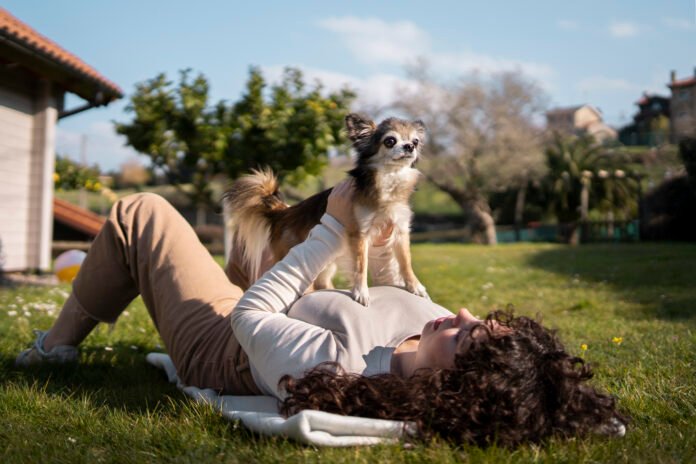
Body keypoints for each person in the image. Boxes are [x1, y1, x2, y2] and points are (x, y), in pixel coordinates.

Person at [16, 180, 626, 446]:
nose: (459, 313)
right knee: (254, 224)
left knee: (142, 213)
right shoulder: (432, 339)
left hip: (227, 343)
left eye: (464, 339)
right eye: (480, 320)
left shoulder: (341, 366)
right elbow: (397, 294)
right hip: (291, 305)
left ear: (450, 384)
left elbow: (251, 316)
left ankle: (54, 351)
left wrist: (332, 230)